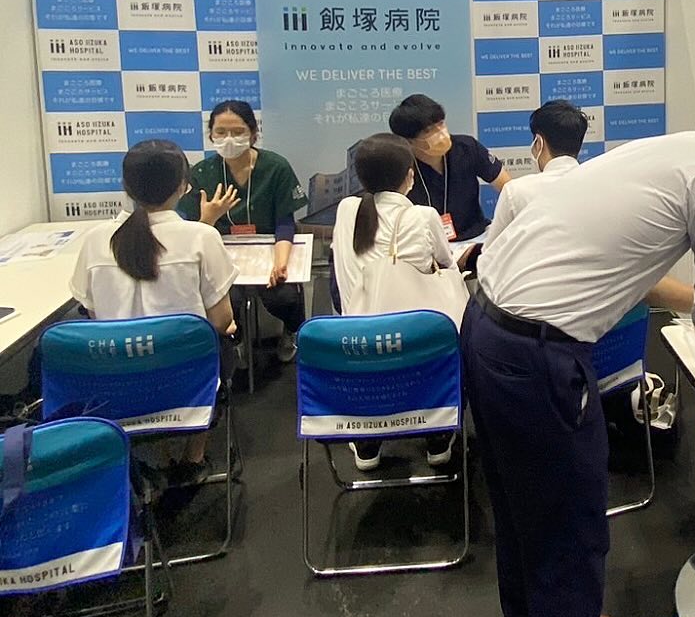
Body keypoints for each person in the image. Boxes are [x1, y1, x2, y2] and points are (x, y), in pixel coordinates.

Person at [463, 80, 695, 617]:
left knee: (522, 516)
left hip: (486, 330)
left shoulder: (672, 151)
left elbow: (633, 268)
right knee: (571, 529)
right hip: (538, 358)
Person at [488, 99, 695, 320]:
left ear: (538, 143)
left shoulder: (521, 191)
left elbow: (491, 263)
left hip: (524, 327)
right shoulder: (598, 184)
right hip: (578, 332)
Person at [70, 140, 236, 485]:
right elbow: (220, 321)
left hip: (115, 389)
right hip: (185, 386)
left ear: (125, 186)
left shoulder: (96, 240)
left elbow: (93, 316)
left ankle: (156, 458)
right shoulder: (202, 237)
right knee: (222, 343)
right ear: (183, 186)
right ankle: (193, 458)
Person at [331, 132, 463, 472]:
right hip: (418, 347)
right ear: (410, 175)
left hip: (357, 347)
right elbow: (447, 263)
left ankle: (368, 442)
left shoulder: (346, 210)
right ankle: (438, 436)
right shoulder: (423, 215)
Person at [178, 100, 308, 364]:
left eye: (237, 132)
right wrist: (209, 217)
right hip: (222, 254)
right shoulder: (202, 173)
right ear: (211, 135)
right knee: (228, 299)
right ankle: (235, 342)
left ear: (253, 133)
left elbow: (285, 222)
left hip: (270, 249)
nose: (229, 139)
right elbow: (192, 232)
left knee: (282, 296)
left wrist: (280, 264)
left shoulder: (276, 167)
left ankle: (291, 331)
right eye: (221, 132)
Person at [389, 94, 511, 267]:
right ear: (409, 141)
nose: (440, 134)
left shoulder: (466, 147)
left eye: (441, 124)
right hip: (425, 247)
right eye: (429, 131)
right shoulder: (400, 165)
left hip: (476, 239)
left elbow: (509, 188)